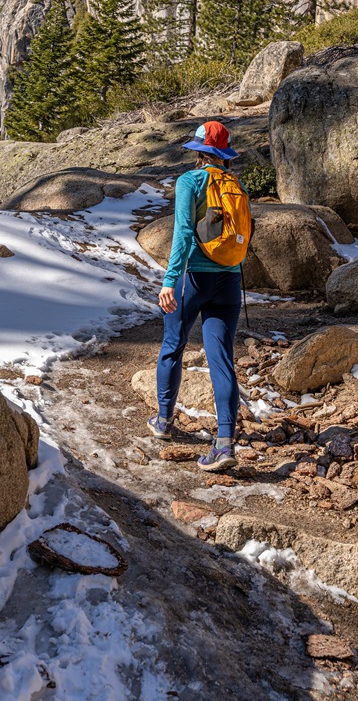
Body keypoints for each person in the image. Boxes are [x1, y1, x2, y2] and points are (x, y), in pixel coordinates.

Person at [147, 121, 250, 472]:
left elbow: (184, 234)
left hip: (193, 278)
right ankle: (224, 444)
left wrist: (169, 280)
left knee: (173, 344)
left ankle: (163, 420)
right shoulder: (237, 185)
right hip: (229, 281)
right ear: (224, 154)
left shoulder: (190, 181)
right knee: (221, 358)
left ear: (199, 152)